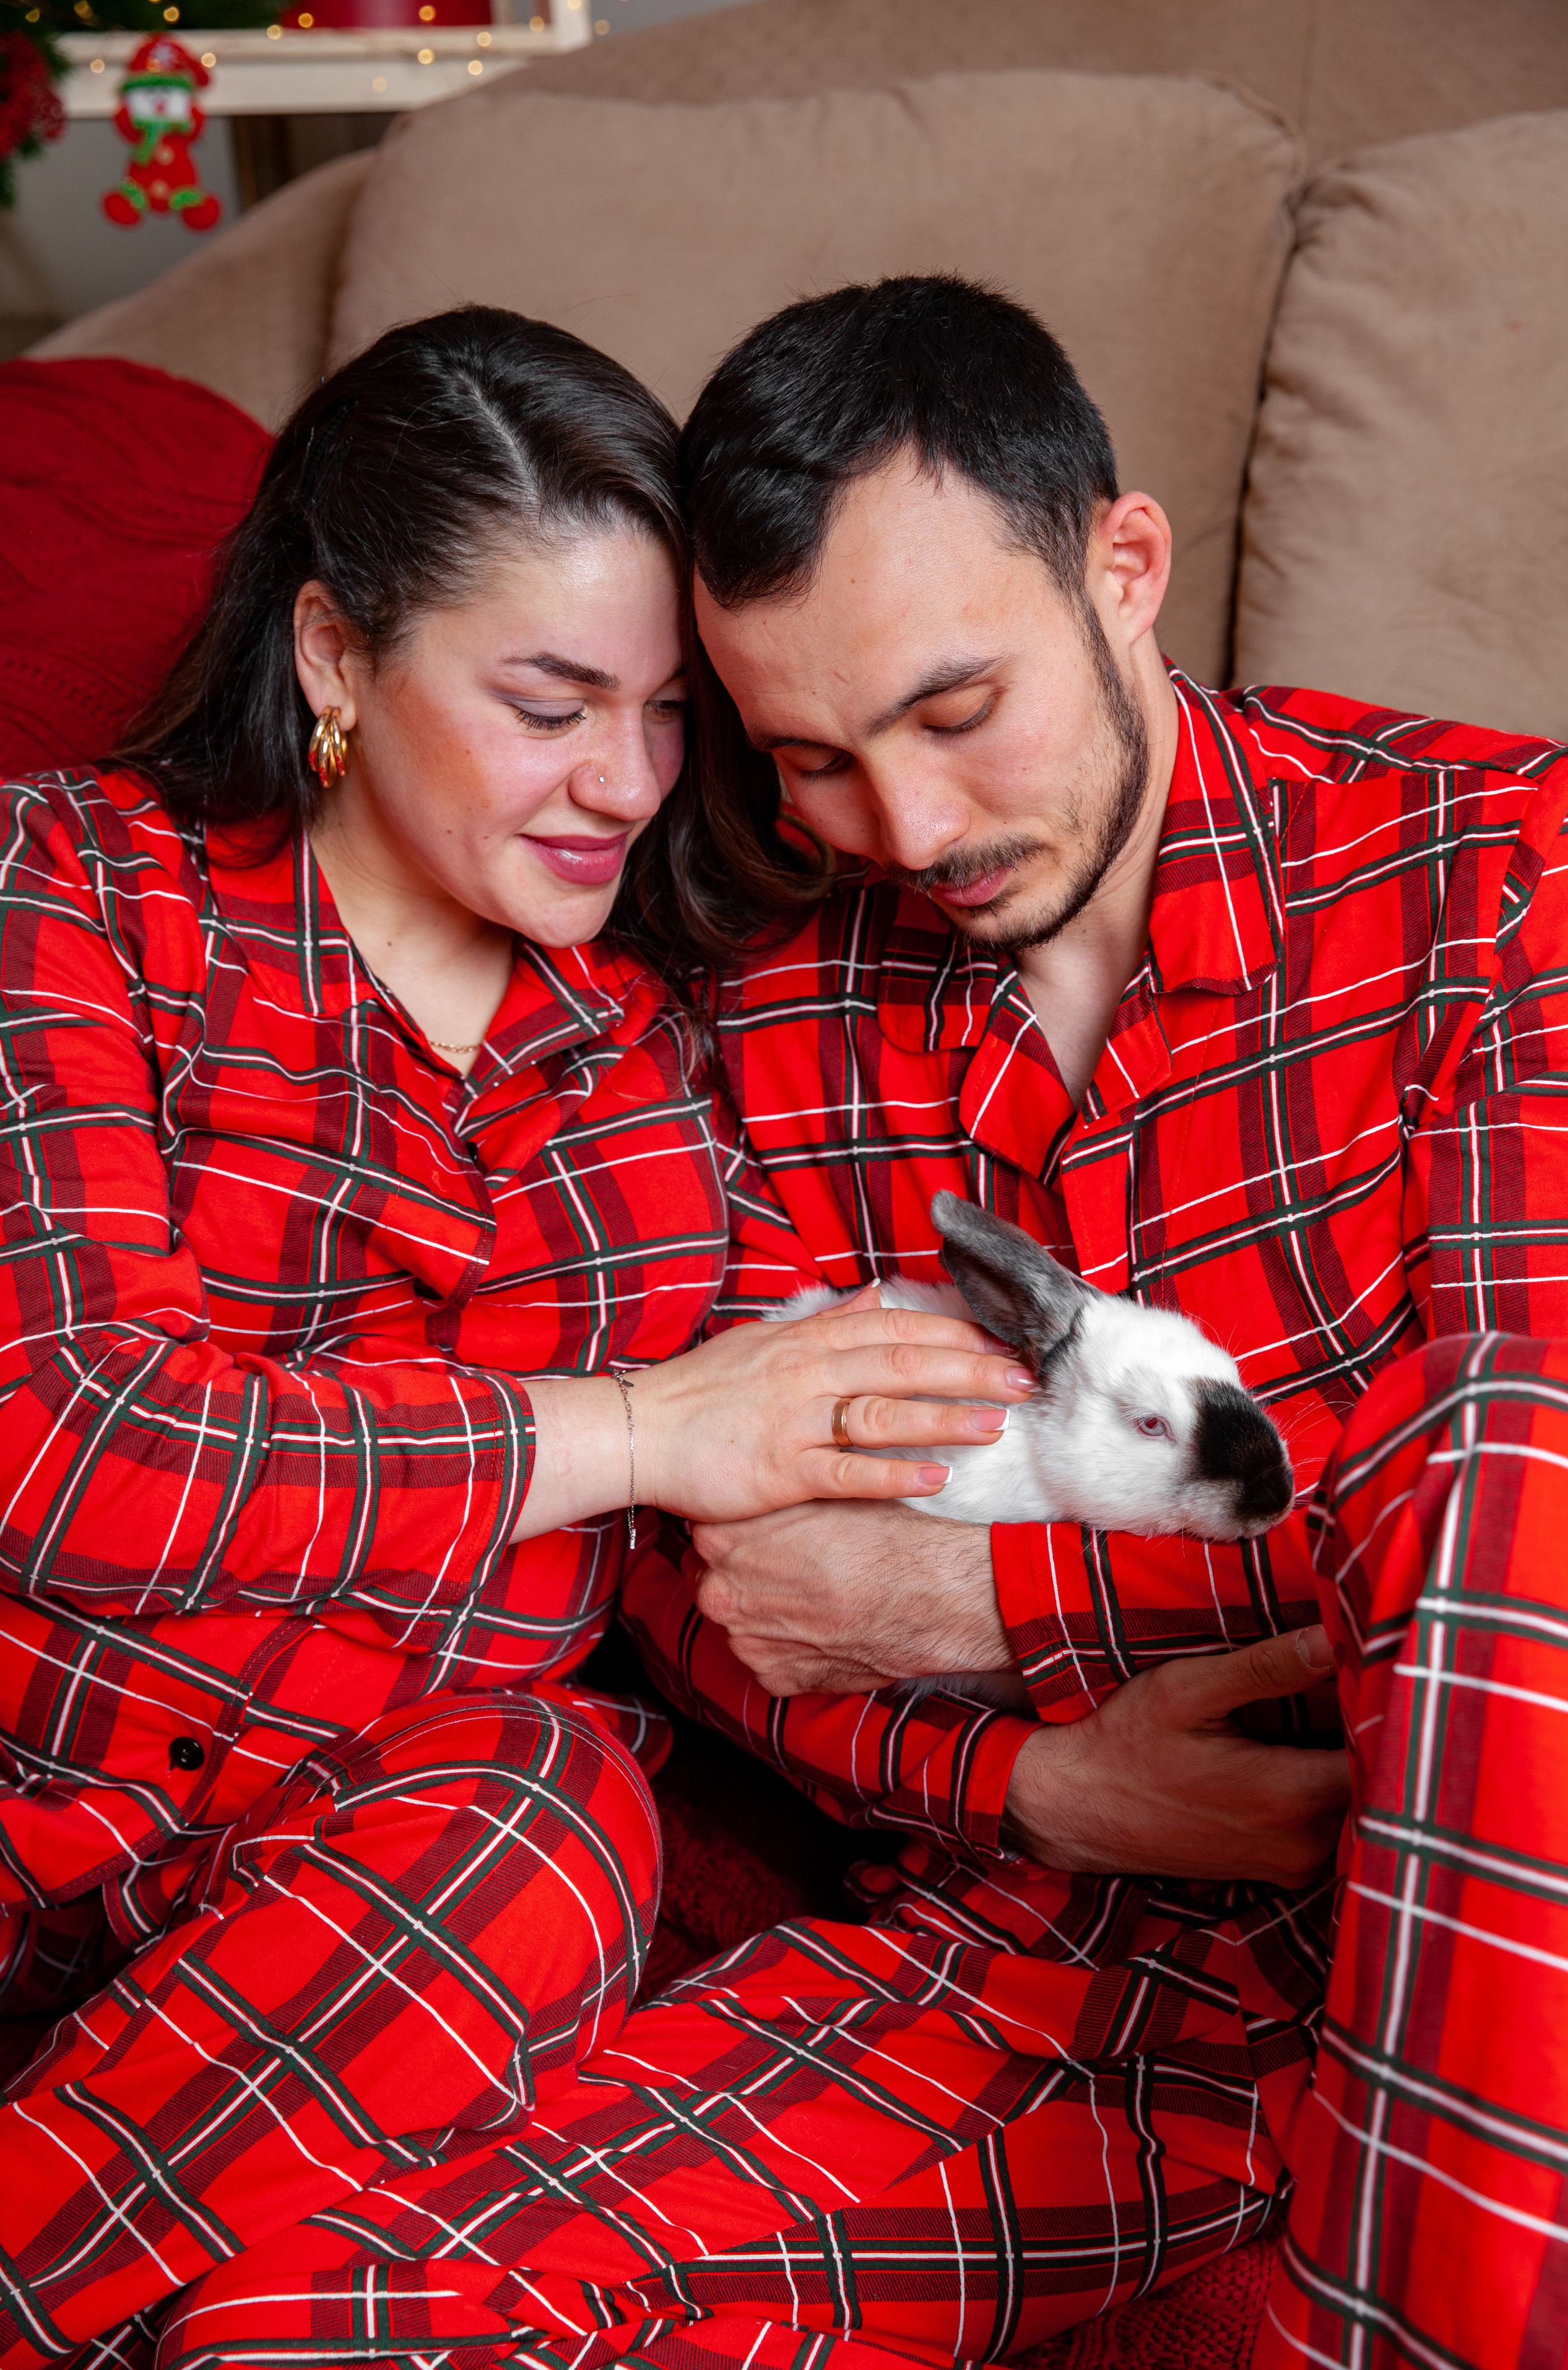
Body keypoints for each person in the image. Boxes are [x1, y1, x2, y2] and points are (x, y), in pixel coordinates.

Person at [157, 277, 1568, 2370]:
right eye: (813, 758)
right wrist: (1043, 1779)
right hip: (1069, 1948)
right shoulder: (769, 1014)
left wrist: (994, 1599)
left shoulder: (1513, 875)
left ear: (1125, 567)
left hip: (1512, 1910)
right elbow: (723, 1592)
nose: (907, 832)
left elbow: (1523, 1531)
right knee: (315, 2327)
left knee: (1516, 1473)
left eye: (955, 709)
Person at [0, 303, 1041, 2370]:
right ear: (333, 654)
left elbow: (752, 1535)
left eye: (665, 714)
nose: (626, 784)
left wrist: (1060, 1760)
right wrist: (638, 1424)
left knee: (554, 1818)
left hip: (344, 1892)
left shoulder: (657, 1058)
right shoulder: (81, 890)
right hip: (35, 1768)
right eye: (550, 703)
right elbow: (68, 1445)